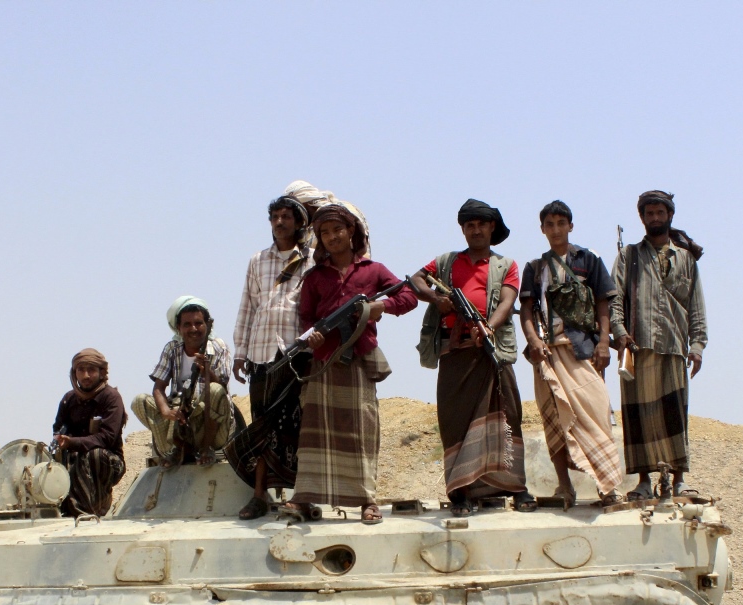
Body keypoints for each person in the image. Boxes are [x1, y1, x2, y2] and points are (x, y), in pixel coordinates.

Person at [288, 203, 417, 524]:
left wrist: (380, 307)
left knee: (361, 430)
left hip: (358, 361)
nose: (332, 237)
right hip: (324, 364)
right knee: (316, 432)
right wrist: (313, 337)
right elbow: (305, 317)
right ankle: (304, 498)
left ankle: (367, 501)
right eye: (325, 233)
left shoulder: (373, 270)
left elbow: (408, 297)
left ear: (351, 232)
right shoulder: (315, 277)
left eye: (337, 230)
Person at [409, 199, 536, 515]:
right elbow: (414, 280)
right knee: (455, 423)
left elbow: (508, 301)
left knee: (507, 417)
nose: (475, 229)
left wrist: (488, 327)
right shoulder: (447, 262)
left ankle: (516, 488)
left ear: (491, 227)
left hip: (493, 352)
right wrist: (437, 299)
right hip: (456, 353)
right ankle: (460, 493)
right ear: (463, 229)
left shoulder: (506, 265)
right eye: (469, 224)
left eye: (481, 224)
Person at [518, 200, 625, 507]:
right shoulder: (535, 268)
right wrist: (533, 340)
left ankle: (607, 487)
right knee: (553, 417)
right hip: (548, 354)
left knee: (596, 413)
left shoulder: (588, 260)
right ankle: (565, 486)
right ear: (542, 230)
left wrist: (604, 343)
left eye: (560, 224)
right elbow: (526, 311)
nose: (555, 230)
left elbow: (604, 303)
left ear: (570, 226)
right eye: (549, 225)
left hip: (583, 351)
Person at [609, 190, 708, 500]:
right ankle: (642, 481)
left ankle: (678, 480)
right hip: (638, 348)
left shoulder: (686, 259)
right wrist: (620, 332)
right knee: (638, 416)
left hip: (675, 347)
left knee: (674, 415)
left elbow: (696, 306)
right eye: (649, 213)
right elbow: (613, 301)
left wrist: (698, 345)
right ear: (642, 218)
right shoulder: (628, 257)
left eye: (659, 213)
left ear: (669, 216)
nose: (654, 218)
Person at [228, 193, 315, 519]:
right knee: (263, 426)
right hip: (262, 354)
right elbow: (247, 307)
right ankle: (260, 495)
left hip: (297, 355)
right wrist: (240, 352)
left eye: (286, 217)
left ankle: (303, 496)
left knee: (299, 426)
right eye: (274, 217)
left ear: (298, 222)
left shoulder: (310, 260)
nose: (280, 222)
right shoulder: (257, 261)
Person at [131, 297, 234, 465]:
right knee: (140, 401)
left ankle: (205, 448)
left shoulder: (218, 347)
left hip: (211, 423)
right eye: (187, 325)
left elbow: (222, 390)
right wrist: (166, 411)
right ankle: (175, 449)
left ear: (207, 325)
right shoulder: (172, 349)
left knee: (214, 390)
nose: (193, 329)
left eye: (198, 323)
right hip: (181, 418)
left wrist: (208, 372)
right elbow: (158, 387)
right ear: (179, 328)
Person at [52, 348, 126, 516]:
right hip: (74, 459)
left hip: (107, 462)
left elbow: (107, 438)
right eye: (81, 370)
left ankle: (93, 511)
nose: (85, 376)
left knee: (93, 456)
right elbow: (58, 428)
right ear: (74, 373)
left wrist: (74, 443)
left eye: (91, 370)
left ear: (101, 372)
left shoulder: (111, 397)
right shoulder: (68, 399)